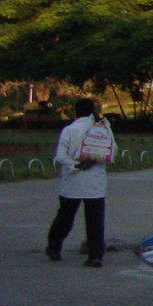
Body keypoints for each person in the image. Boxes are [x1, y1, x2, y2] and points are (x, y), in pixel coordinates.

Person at [48, 97, 115, 267]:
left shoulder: (69, 130)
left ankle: (54, 247)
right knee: (95, 221)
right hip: (95, 183)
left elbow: (61, 156)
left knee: (65, 216)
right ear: (93, 112)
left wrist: (76, 165)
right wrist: (93, 160)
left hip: (72, 181)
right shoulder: (104, 129)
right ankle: (95, 256)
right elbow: (111, 154)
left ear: (76, 112)